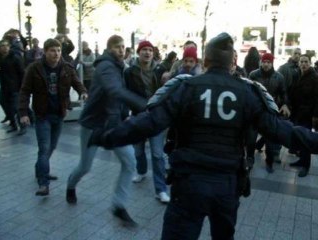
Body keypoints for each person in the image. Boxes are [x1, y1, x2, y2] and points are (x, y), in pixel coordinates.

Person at [88, 32, 318, 240]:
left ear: (205, 61)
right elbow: (282, 131)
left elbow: (148, 123)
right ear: (232, 63)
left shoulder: (186, 88)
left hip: (189, 183)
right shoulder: (248, 92)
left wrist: (107, 137)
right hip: (227, 185)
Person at [66, 35, 146, 227]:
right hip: (93, 126)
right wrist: (142, 104)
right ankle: (70, 186)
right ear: (109, 48)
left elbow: (116, 99)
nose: (121, 50)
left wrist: (124, 114)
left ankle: (119, 206)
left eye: (123, 47)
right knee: (85, 166)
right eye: (117, 47)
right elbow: (115, 91)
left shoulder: (119, 67)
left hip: (113, 125)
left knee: (129, 163)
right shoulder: (105, 67)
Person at [18, 38, 88, 196]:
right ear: (45, 51)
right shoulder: (34, 68)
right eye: (52, 50)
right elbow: (24, 91)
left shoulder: (67, 67)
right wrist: (23, 113)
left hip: (59, 114)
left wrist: (83, 92)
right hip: (42, 115)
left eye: (58, 50)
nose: (56, 53)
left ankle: (40, 170)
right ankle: (43, 183)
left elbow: (77, 83)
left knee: (51, 147)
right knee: (44, 148)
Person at [124, 40, 170, 203]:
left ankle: (161, 189)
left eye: (150, 50)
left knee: (158, 154)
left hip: (156, 116)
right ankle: (142, 170)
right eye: (144, 49)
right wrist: (127, 113)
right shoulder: (130, 72)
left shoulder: (160, 70)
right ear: (138, 52)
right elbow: (126, 93)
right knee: (138, 150)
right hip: (138, 115)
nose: (147, 52)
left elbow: (167, 90)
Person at [247, 53, 290, 173]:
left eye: (268, 62)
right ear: (261, 62)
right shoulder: (253, 75)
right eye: (264, 61)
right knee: (251, 138)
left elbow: (283, 92)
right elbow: (248, 90)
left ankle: (269, 162)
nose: (266, 64)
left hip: (270, 111)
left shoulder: (279, 77)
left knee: (270, 140)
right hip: (255, 111)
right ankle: (249, 159)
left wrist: (285, 104)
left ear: (272, 63)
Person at [288, 54, 318, 177]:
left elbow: (317, 99)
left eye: (306, 62)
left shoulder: (314, 78)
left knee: (306, 140)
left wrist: (315, 115)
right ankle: (301, 160)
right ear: (299, 63)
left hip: (307, 113)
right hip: (296, 112)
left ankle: (306, 166)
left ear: (310, 63)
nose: (303, 64)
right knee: (300, 137)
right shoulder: (296, 75)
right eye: (302, 61)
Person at [0, 39, 25, 132]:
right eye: (2, 46)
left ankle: (22, 126)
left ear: (9, 47)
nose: (5, 47)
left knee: (15, 107)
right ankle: (13, 124)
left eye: (6, 45)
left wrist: (22, 86)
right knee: (3, 102)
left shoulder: (15, 57)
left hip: (15, 87)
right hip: (4, 86)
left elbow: (22, 72)